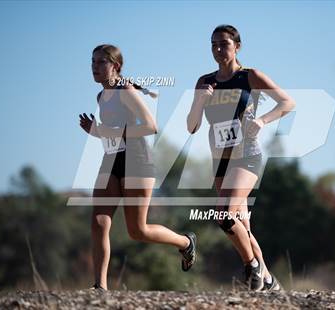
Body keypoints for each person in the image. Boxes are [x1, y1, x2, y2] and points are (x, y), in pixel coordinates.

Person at [79, 44, 196, 291]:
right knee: (98, 222)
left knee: (138, 230)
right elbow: (111, 134)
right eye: (93, 62)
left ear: (116, 67)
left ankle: (185, 243)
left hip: (137, 162)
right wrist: (98, 132)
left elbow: (150, 126)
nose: (95, 67)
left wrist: (103, 131)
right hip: (110, 161)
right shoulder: (101, 97)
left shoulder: (126, 91)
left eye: (101, 62)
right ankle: (100, 286)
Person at [187, 25, 295, 291]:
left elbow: (287, 102)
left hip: (247, 155)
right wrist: (201, 101)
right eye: (213, 44)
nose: (218, 49)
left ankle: (252, 267)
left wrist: (262, 120)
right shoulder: (204, 82)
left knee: (224, 215)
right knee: (242, 225)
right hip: (221, 160)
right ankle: (268, 280)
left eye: (224, 44)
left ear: (237, 46)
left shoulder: (250, 76)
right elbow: (191, 126)